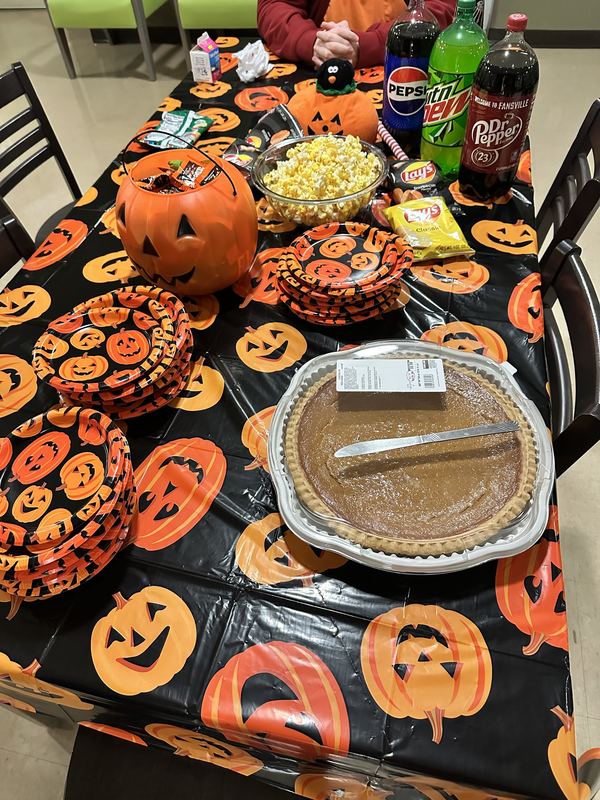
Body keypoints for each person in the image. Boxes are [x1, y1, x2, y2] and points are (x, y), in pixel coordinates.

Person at [258, 0, 456, 68]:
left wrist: (368, 45)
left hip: (401, 71)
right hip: (316, 68)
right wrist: (311, 42)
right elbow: (275, 8)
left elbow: (439, 10)